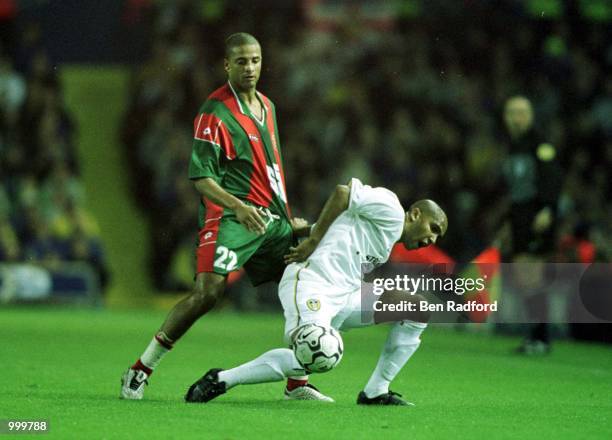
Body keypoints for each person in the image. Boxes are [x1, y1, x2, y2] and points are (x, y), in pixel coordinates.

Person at [121, 33, 329, 401]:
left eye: (255, 60)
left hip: (271, 220)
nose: (249, 68)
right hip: (233, 218)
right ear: (227, 65)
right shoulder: (213, 113)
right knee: (208, 294)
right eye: (242, 62)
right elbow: (201, 177)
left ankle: (296, 382)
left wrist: (286, 216)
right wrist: (237, 206)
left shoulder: (268, 105)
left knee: (301, 285)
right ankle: (141, 369)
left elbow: (271, 168)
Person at [184, 178, 447, 405]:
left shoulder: (387, 237)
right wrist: (312, 239)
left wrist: (309, 229)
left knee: (418, 308)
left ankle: (375, 392)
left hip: (346, 296)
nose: (432, 239)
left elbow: (345, 225)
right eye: (433, 228)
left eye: (438, 237)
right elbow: (343, 193)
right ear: (414, 214)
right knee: (320, 350)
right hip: (312, 282)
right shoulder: (391, 208)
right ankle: (221, 379)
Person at [498, 96, 563, 354]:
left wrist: (547, 208)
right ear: (506, 116)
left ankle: (541, 338)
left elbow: (552, 178)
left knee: (531, 274)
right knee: (524, 276)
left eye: (523, 112)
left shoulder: (540, 143)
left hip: (536, 215)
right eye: (513, 112)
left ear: (531, 115)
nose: (518, 117)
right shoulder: (514, 147)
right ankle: (536, 336)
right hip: (520, 216)